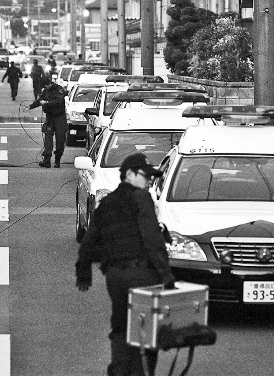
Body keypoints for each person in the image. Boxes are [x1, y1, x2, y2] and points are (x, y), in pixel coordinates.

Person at [75, 153, 176, 376]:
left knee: (121, 325)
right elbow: (152, 240)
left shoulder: (107, 203)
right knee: (147, 329)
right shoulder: (142, 199)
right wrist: (166, 275)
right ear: (129, 175)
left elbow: (90, 239)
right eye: (145, 176)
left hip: (115, 278)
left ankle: (119, 370)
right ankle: (142, 372)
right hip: (143, 276)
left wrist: (84, 273)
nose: (150, 180)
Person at [22, 78, 68, 168]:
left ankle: (57, 160)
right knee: (48, 137)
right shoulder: (45, 91)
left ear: (50, 83)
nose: (45, 87)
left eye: (46, 86)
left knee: (60, 138)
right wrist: (30, 106)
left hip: (59, 117)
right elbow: (40, 100)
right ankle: (47, 160)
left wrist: (47, 102)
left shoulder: (59, 89)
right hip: (50, 117)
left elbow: (59, 101)